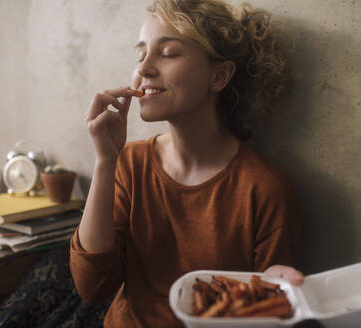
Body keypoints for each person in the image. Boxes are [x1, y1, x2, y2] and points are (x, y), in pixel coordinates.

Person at [70, 0, 303, 326]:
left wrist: (276, 291)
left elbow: (267, 312)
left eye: (168, 53)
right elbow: (90, 287)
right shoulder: (129, 164)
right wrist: (105, 162)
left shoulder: (265, 189)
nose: (144, 68)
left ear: (219, 75)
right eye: (140, 55)